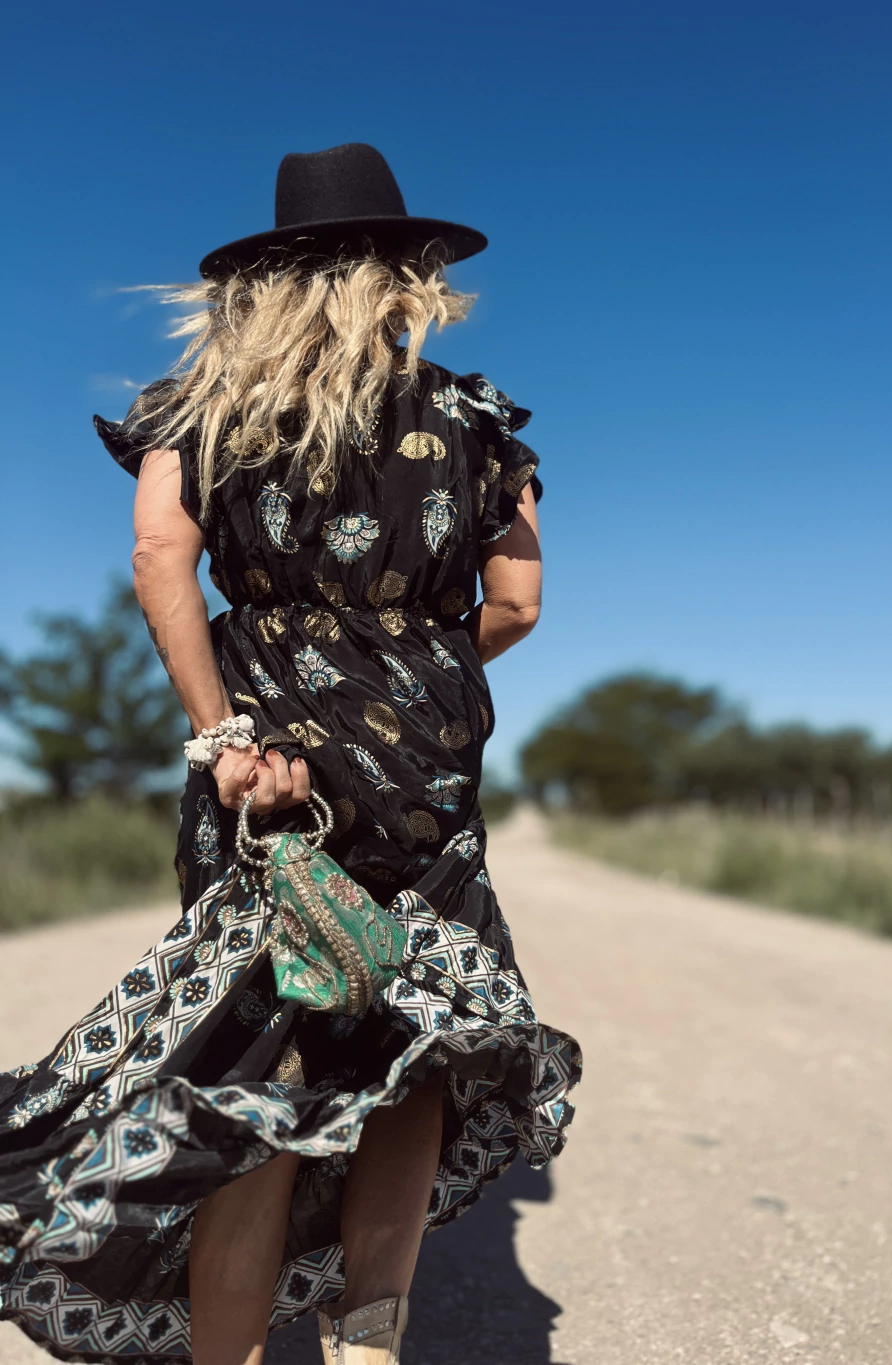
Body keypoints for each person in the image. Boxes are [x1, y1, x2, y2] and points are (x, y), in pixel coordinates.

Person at [0, 142, 581, 1365]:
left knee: (262, 1051)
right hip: (424, 759)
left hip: (265, 751)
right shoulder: (476, 417)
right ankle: (369, 1339)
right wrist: (413, 668)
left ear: (262, 282)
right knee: (416, 1044)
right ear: (405, 275)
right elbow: (520, 604)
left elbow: (160, 559)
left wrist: (223, 729)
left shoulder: (196, 407)